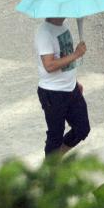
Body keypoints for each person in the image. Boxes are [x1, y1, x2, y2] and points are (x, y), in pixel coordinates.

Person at [34, 17, 89, 157]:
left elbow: (64, 59)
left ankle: (57, 158)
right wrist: (76, 54)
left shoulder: (63, 27)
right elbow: (49, 65)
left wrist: (74, 82)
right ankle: (50, 172)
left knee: (82, 129)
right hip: (53, 93)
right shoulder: (44, 33)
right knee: (55, 136)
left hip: (71, 88)